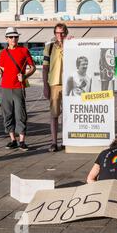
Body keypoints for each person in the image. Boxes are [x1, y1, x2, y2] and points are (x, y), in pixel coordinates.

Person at [0, 27, 36, 151]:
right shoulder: (4, 53)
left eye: (15, 36)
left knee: (20, 114)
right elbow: (1, 71)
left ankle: (22, 141)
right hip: (5, 87)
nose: (13, 39)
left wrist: (25, 75)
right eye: (11, 37)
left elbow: (32, 67)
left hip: (18, 87)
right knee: (7, 114)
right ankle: (13, 140)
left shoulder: (24, 50)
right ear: (6, 39)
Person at [43, 23, 68, 152]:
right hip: (54, 83)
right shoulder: (49, 47)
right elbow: (45, 67)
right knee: (54, 114)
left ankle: (65, 140)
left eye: (62, 32)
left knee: (68, 114)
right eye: (57, 33)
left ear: (66, 33)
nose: (60, 35)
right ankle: (53, 142)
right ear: (54, 34)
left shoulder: (71, 45)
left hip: (69, 84)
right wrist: (45, 85)